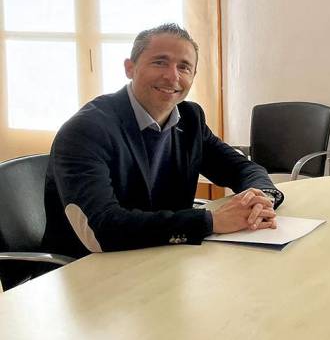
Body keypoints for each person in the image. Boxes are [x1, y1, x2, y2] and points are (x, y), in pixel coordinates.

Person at [43, 24, 284, 258]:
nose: (172, 76)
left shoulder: (190, 118)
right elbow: (103, 229)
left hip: (163, 258)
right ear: (130, 68)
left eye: (184, 67)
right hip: (90, 271)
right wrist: (211, 221)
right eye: (160, 62)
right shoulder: (86, 130)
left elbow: (240, 167)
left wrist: (262, 198)